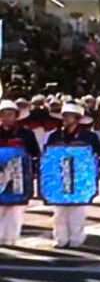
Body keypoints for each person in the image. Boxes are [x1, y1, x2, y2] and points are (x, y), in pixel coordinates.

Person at [45, 101, 100, 248]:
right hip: (60, 179)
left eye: (70, 116)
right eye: (64, 116)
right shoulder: (55, 136)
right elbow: (48, 156)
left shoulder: (89, 137)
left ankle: (76, 238)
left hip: (80, 179)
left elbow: (97, 155)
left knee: (77, 212)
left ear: (77, 118)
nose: (66, 119)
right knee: (59, 212)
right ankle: (61, 238)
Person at [0, 100, 40, 245]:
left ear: (16, 116)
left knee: (15, 210)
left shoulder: (26, 134)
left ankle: (10, 238)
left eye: (9, 114)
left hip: (19, 178)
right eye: (3, 115)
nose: (6, 118)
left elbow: (34, 154)